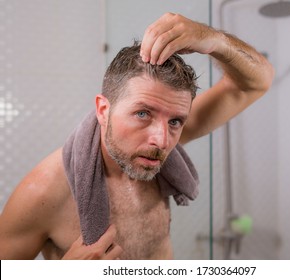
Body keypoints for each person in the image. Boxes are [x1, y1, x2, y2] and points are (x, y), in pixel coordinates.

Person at [0, 13, 274, 260]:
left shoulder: (157, 143)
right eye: (142, 114)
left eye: (176, 121)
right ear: (103, 110)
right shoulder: (42, 192)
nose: (162, 140)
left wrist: (214, 39)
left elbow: (256, 83)